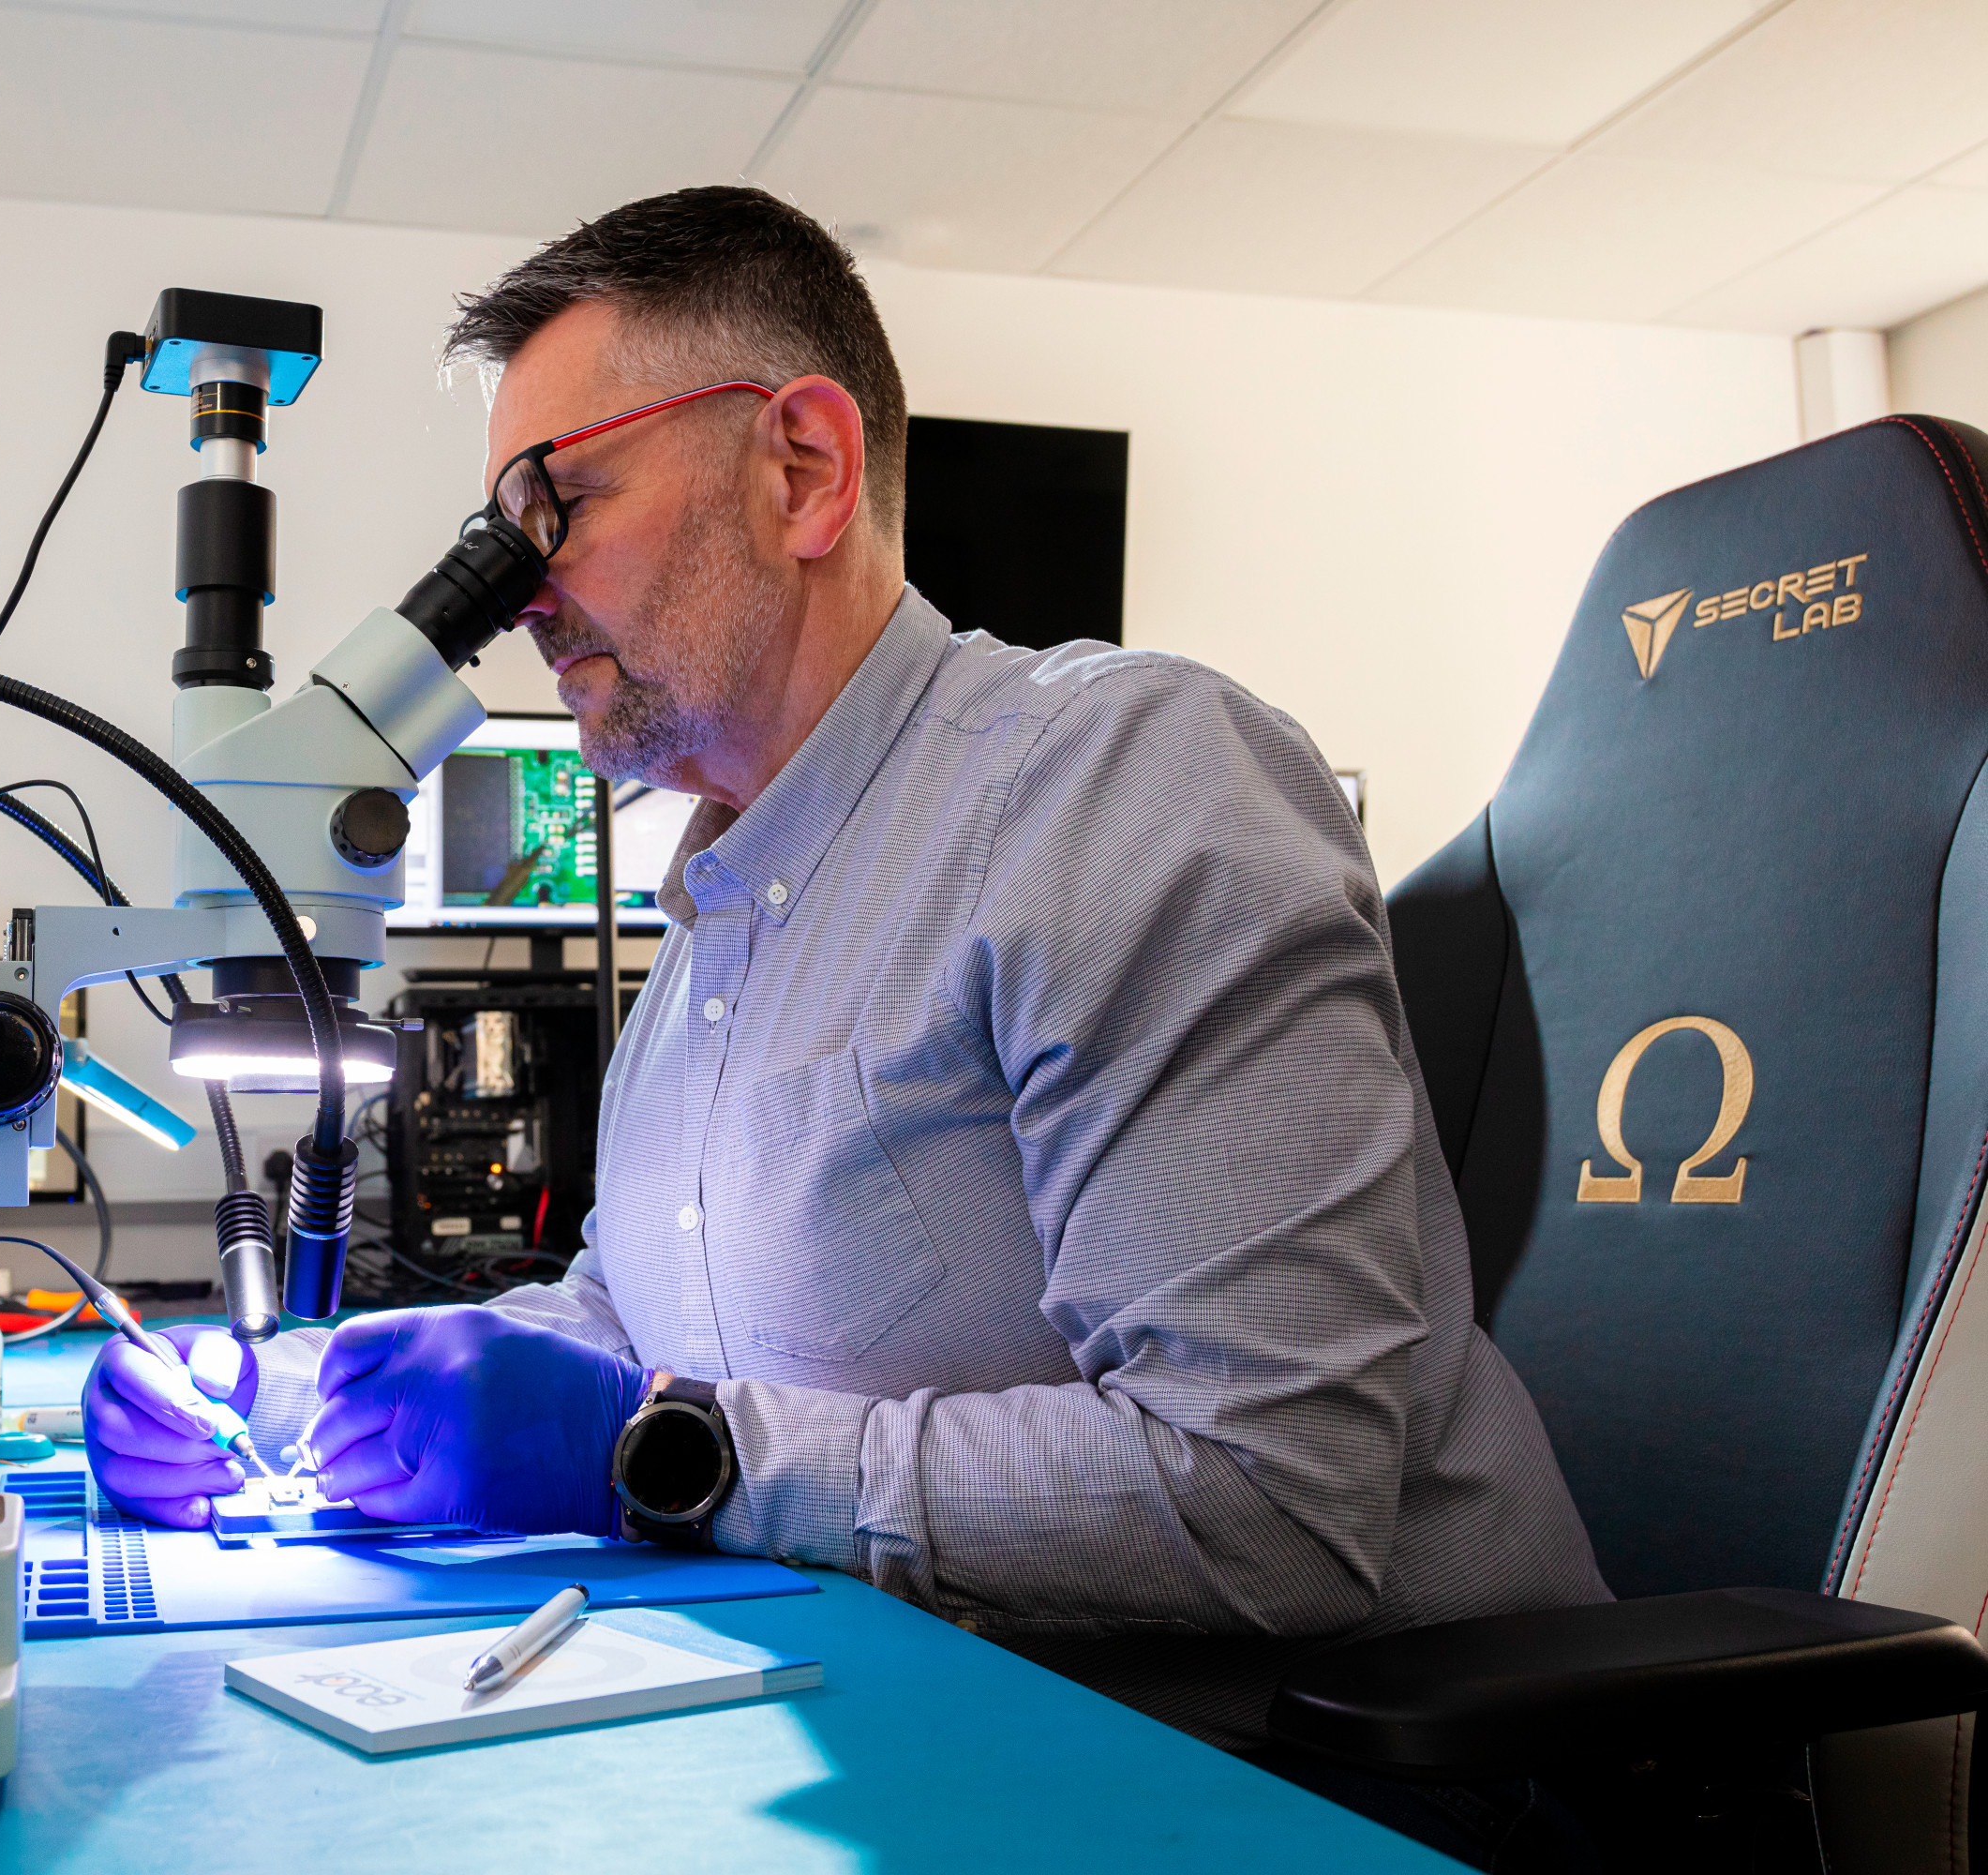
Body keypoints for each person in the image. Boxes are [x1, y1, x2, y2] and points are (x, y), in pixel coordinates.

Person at [85, 183, 1607, 1800]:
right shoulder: (722, 922)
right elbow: (636, 1321)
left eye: (559, 506)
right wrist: (323, 1383)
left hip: (1306, 1789)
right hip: (916, 1732)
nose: (517, 594)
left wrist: (652, 1454)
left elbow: (1271, 1496)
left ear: (802, 470)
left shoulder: (1126, 784)